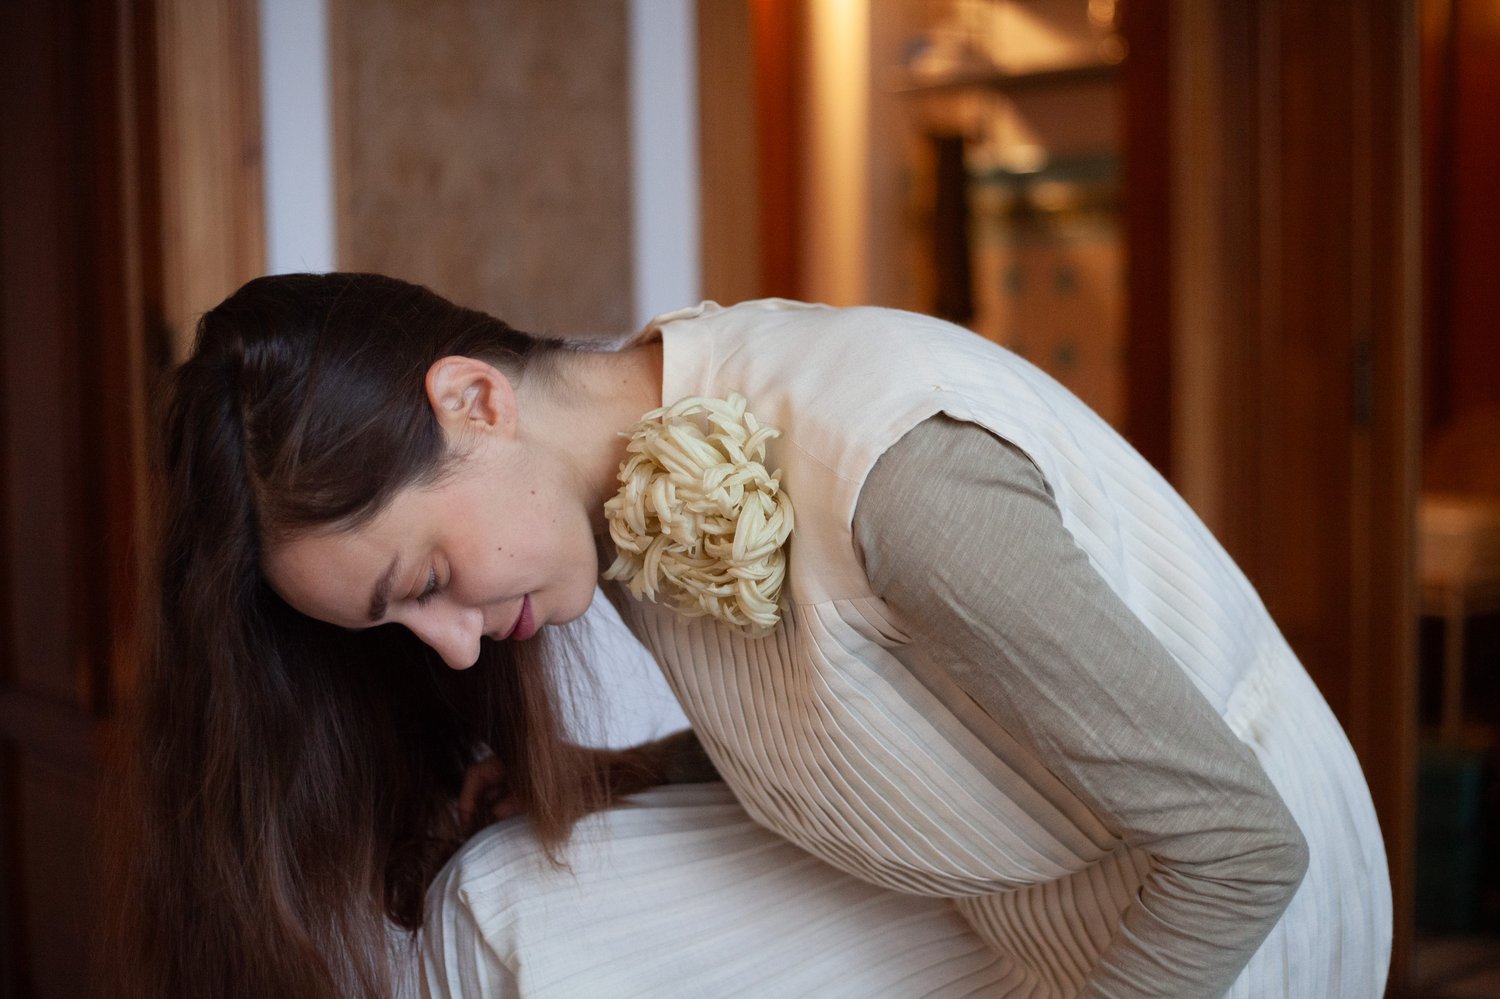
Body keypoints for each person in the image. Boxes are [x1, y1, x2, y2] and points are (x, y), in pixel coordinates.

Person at [112, 272, 1390, 998]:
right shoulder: (611, 506)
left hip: (1220, 929)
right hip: (1004, 888)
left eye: (428, 578)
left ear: (476, 399)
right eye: (401, 621)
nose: (451, 646)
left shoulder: (899, 481)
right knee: (497, 912)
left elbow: (1240, 847)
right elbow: (888, 733)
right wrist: (626, 773)